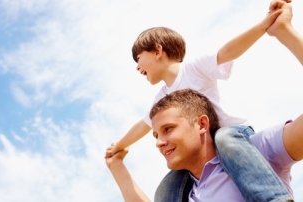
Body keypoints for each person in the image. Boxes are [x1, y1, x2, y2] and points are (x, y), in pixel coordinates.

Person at [105, 0, 303, 201]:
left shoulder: (194, 69)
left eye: (138, 58)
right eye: (158, 134)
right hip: (214, 147)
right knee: (167, 185)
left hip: (233, 134)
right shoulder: (163, 99)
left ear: (157, 51)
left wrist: (267, 26)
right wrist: (118, 148)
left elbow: (227, 52)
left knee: (224, 139)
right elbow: (142, 126)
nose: (137, 67)